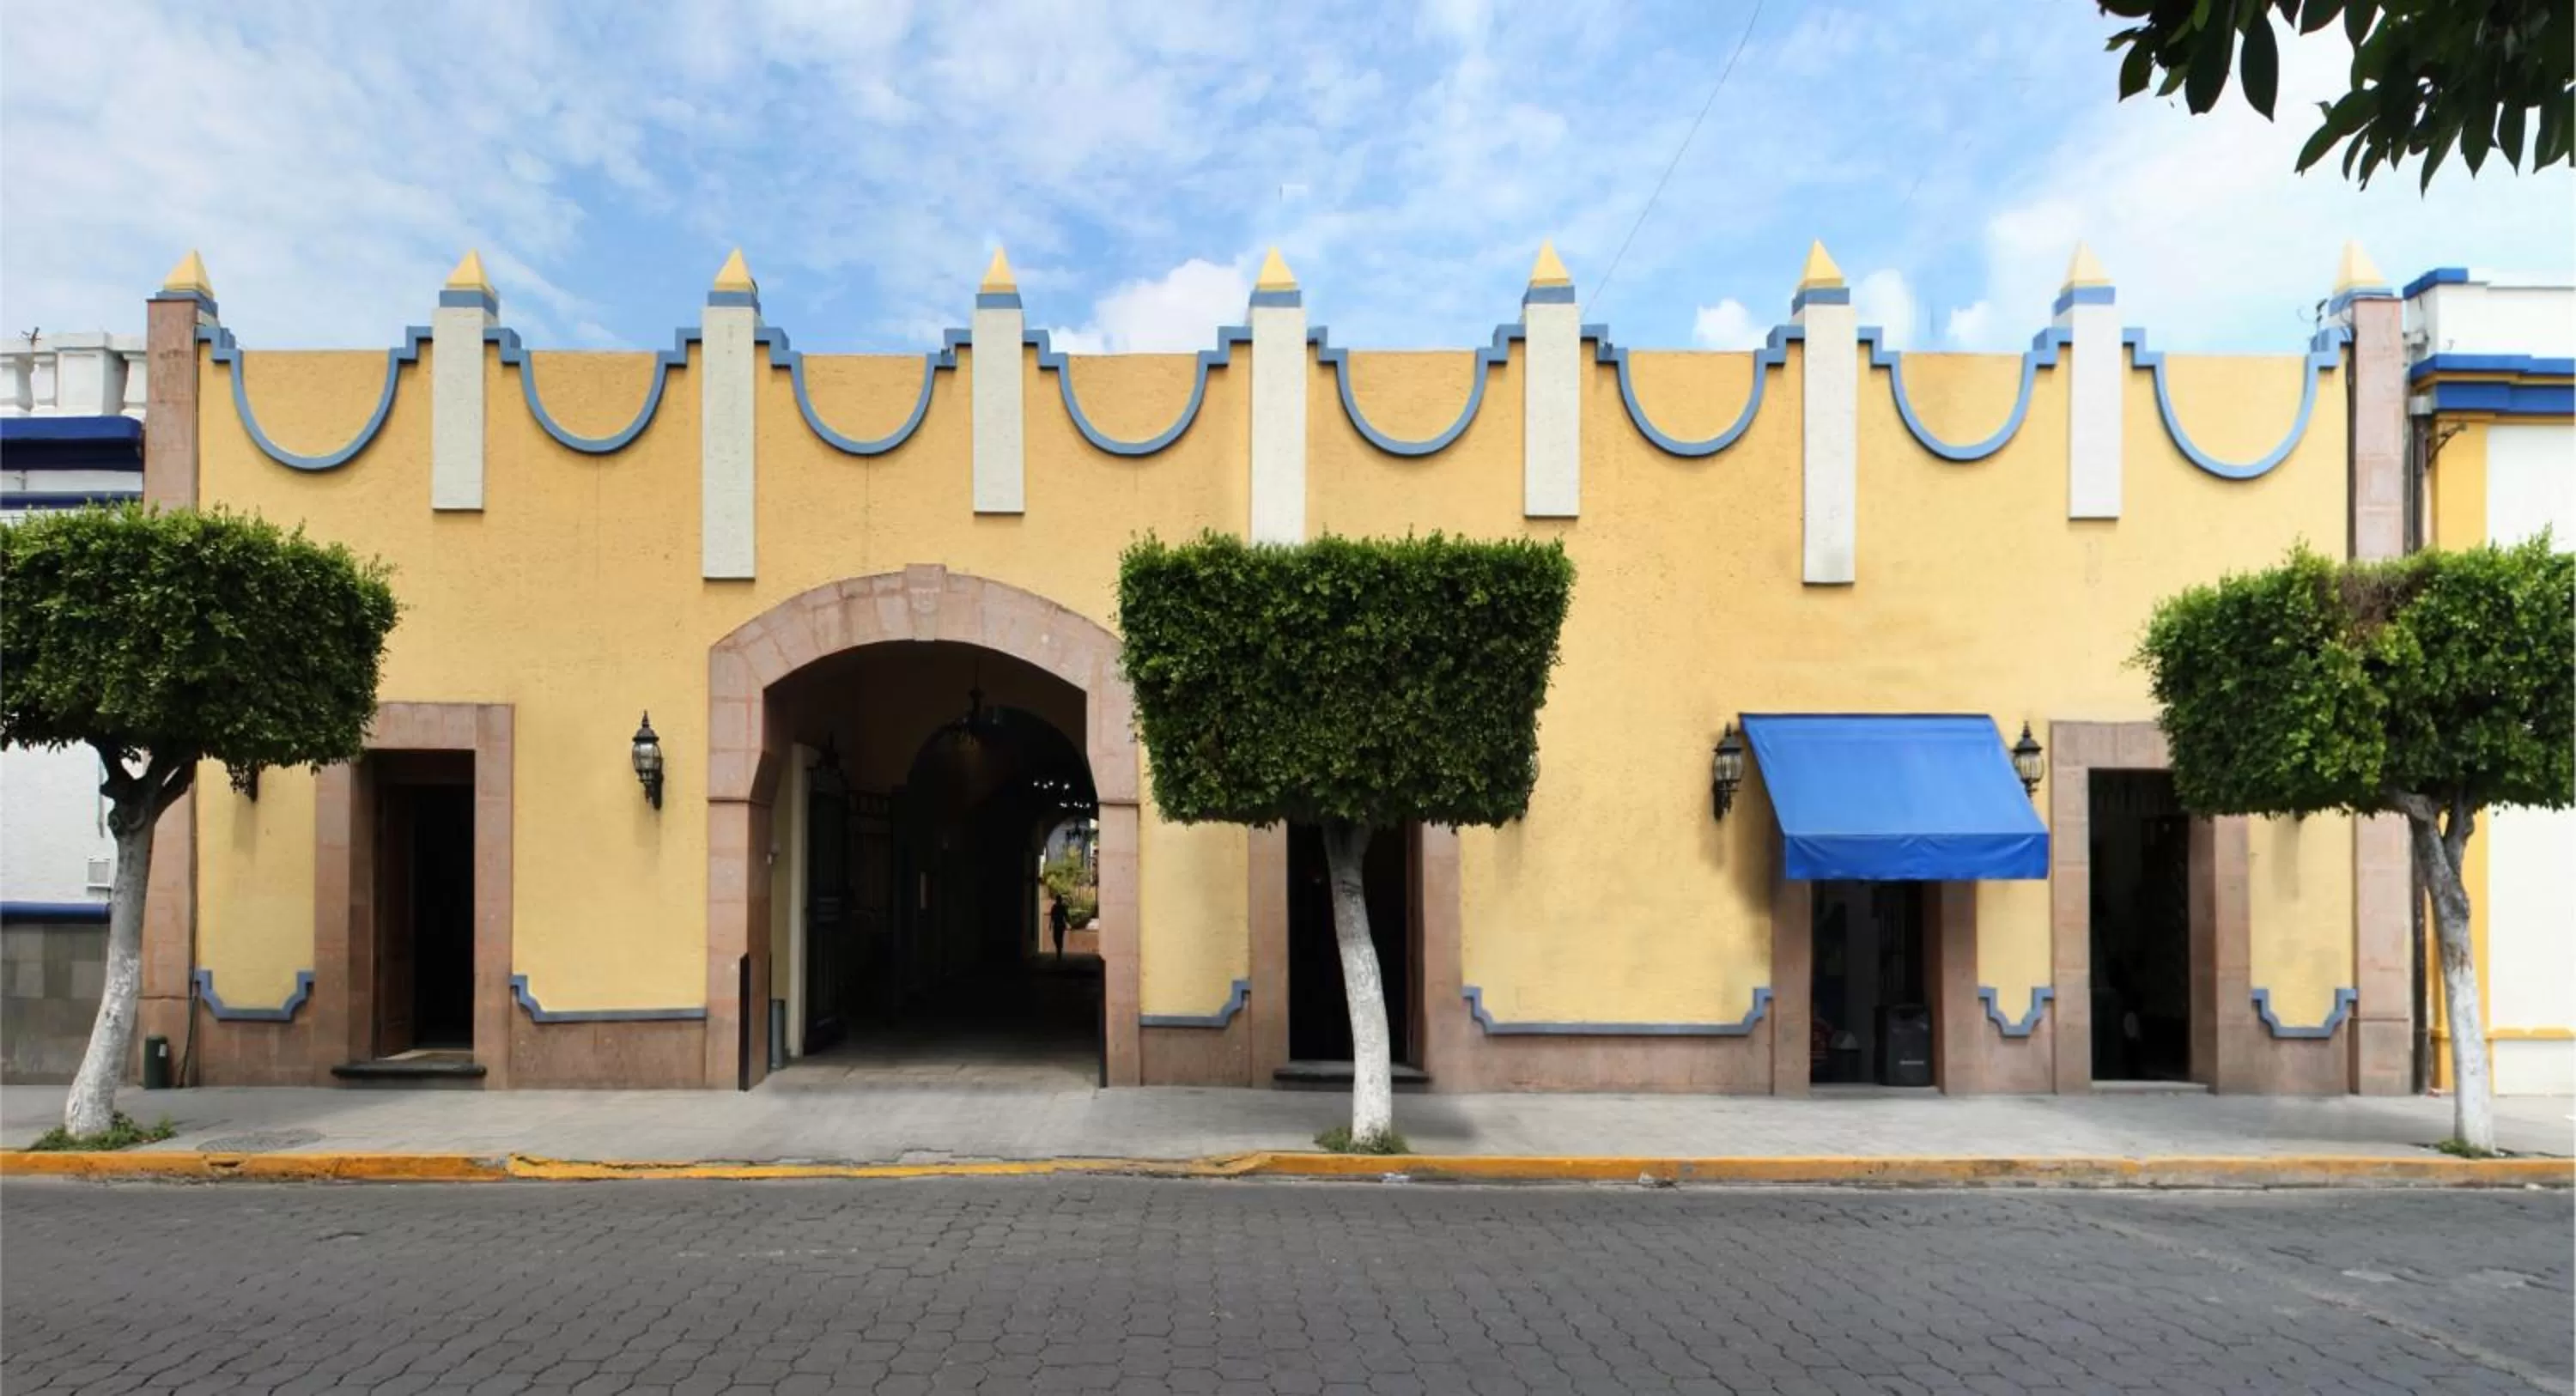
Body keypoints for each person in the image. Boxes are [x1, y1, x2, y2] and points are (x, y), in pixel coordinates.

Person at [1049, 895, 1070, 960]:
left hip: (1061, 924)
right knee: (1055, 938)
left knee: (1060, 938)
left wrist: (1068, 921)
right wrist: (1050, 924)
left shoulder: (1062, 907)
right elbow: (1052, 916)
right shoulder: (1054, 907)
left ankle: (1059, 952)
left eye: (1059, 899)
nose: (1058, 901)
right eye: (1058, 899)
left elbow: (1066, 915)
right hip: (1056, 924)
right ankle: (1059, 949)